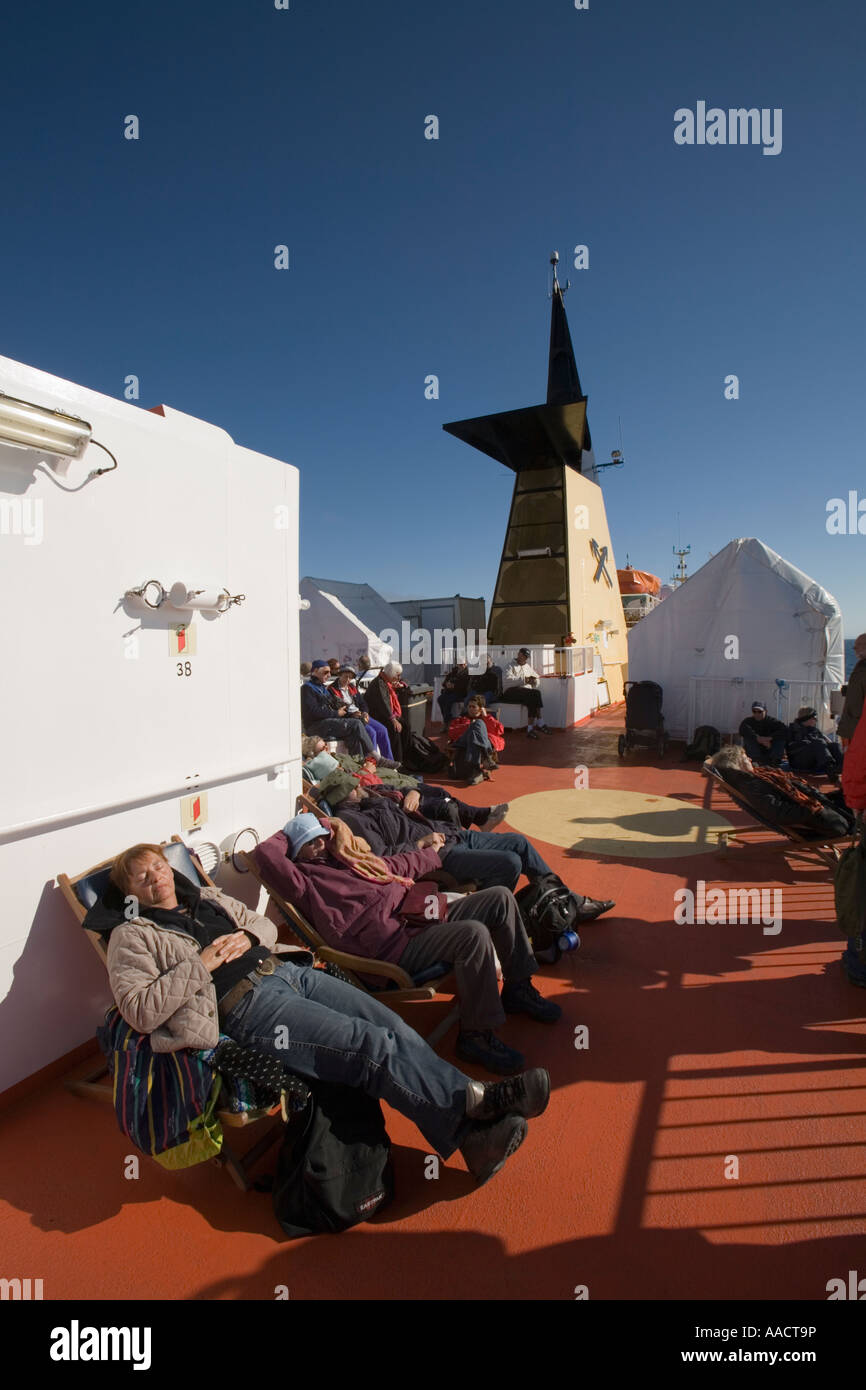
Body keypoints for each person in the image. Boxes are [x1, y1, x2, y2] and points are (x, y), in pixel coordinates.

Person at [95, 842, 550, 1186]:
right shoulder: (131, 937)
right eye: (141, 877)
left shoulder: (207, 900)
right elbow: (138, 1010)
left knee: (390, 1025)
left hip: (289, 971)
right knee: (369, 1046)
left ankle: (473, 1116)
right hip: (247, 1006)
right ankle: (474, 1121)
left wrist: (249, 939)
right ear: (129, 893)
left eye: (158, 865)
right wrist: (204, 962)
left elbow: (264, 924)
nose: (156, 877)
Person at [259, 813, 567, 1074]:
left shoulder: (349, 857)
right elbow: (265, 854)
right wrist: (301, 829)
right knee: (472, 934)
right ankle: (475, 1036)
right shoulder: (304, 882)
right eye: (310, 842)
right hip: (393, 946)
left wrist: (431, 855)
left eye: (322, 836)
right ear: (296, 852)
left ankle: (518, 987)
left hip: (415, 912)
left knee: (499, 897)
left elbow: (393, 867)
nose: (321, 843)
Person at [314, 769, 615, 919]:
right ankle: (493, 916)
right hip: (439, 854)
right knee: (509, 862)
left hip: (452, 833)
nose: (360, 785)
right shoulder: (353, 820)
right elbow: (382, 856)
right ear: (346, 794)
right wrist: (421, 843)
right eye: (353, 785)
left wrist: (414, 792)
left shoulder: (374, 795)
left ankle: (568, 901)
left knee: (519, 843)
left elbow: (399, 786)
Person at [708, 745, 854, 838]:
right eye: (746, 757)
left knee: (850, 796)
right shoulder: (752, 786)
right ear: (737, 764)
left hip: (810, 804)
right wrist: (813, 808)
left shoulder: (759, 775)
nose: (750, 758)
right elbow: (778, 812)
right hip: (814, 818)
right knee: (853, 808)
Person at [300, 660, 376, 759]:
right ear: (315, 671)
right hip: (315, 726)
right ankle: (374, 756)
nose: (329, 675)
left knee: (354, 733)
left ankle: (358, 764)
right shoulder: (307, 688)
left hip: (327, 722)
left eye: (330, 672)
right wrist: (336, 713)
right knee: (355, 724)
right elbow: (312, 712)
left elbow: (337, 707)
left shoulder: (322, 688)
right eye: (325, 672)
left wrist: (350, 714)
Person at [331, 666, 394, 759]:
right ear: (339, 675)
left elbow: (362, 703)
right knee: (371, 732)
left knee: (382, 730)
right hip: (350, 719)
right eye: (345, 676)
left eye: (350, 677)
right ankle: (373, 762)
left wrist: (365, 712)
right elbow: (337, 708)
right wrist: (352, 714)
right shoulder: (332, 690)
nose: (348, 679)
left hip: (360, 715)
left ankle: (389, 760)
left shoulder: (352, 687)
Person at [448, 695, 504, 785]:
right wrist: (471, 726)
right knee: (477, 725)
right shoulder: (461, 719)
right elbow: (452, 732)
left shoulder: (487, 719)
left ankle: (476, 771)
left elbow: (498, 731)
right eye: (469, 706)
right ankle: (487, 758)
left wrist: (485, 717)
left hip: (484, 742)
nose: (470, 709)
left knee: (477, 727)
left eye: (474, 707)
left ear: (481, 708)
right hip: (464, 742)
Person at [500, 649, 551, 738]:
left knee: (535, 694)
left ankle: (531, 728)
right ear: (518, 654)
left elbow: (537, 677)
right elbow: (507, 681)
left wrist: (534, 681)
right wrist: (525, 680)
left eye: (526, 656)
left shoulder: (527, 666)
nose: (524, 658)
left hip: (524, 692)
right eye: (523, 655)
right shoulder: (509, 666)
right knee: (533, 695)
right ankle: (539, 723)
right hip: (510, 692)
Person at [364, 661, 408, 763]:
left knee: (406, 726)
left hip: (384, 714)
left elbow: (404, 681)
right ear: (391, 674)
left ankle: (407, 759)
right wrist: (393, 720)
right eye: (397, 675)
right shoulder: (378, 684)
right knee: (395, 729)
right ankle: (397, 761)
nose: (398, 678)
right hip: (377, 715)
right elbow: (383, 704)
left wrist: (401, 684)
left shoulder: (386, 681)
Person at [785, 707, 843, 778]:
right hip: (799, 761)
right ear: (807, 718)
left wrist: (827, 743)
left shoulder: (814, 730)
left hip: (815, 760)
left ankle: (842, 766)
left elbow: (826, 743)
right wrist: (807, 743)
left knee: (834, 745)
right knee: (818, 742)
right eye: (814, 718)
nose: (816, 720)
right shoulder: (793, 730)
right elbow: (790, 748)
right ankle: (829, 768)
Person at [738, 702, 787, 766]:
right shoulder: (748, 721)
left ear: (765, 711)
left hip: (769, 749)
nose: (757, 714)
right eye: (754, 711)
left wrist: (769, 738)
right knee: (748, 738)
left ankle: (775, 761)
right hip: (755, 751)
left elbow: (785, 730)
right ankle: (755, 761)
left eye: (760, 711)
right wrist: (758, 738)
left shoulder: (772, 721)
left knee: (780, 739)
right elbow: (742, 729)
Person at [839, 634, 866, 744]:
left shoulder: (862, 669)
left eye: (857, 646)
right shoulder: (861, 667)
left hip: (858, 727)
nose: (854, 649)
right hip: (855, 726)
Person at [438, 661, 470, 727]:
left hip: (460, 693)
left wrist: (454, 686)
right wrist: (447, 684)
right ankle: (447, 718)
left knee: (448, 701)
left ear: (466, 664)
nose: (462, 665)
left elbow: (466, 686)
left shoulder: (468, 673)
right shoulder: (453, 671)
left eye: (464, 664)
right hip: (450, 692)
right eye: (460, 664)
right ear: (457, 664)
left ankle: (446, 722)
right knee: (440, 699)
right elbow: (444, 682)